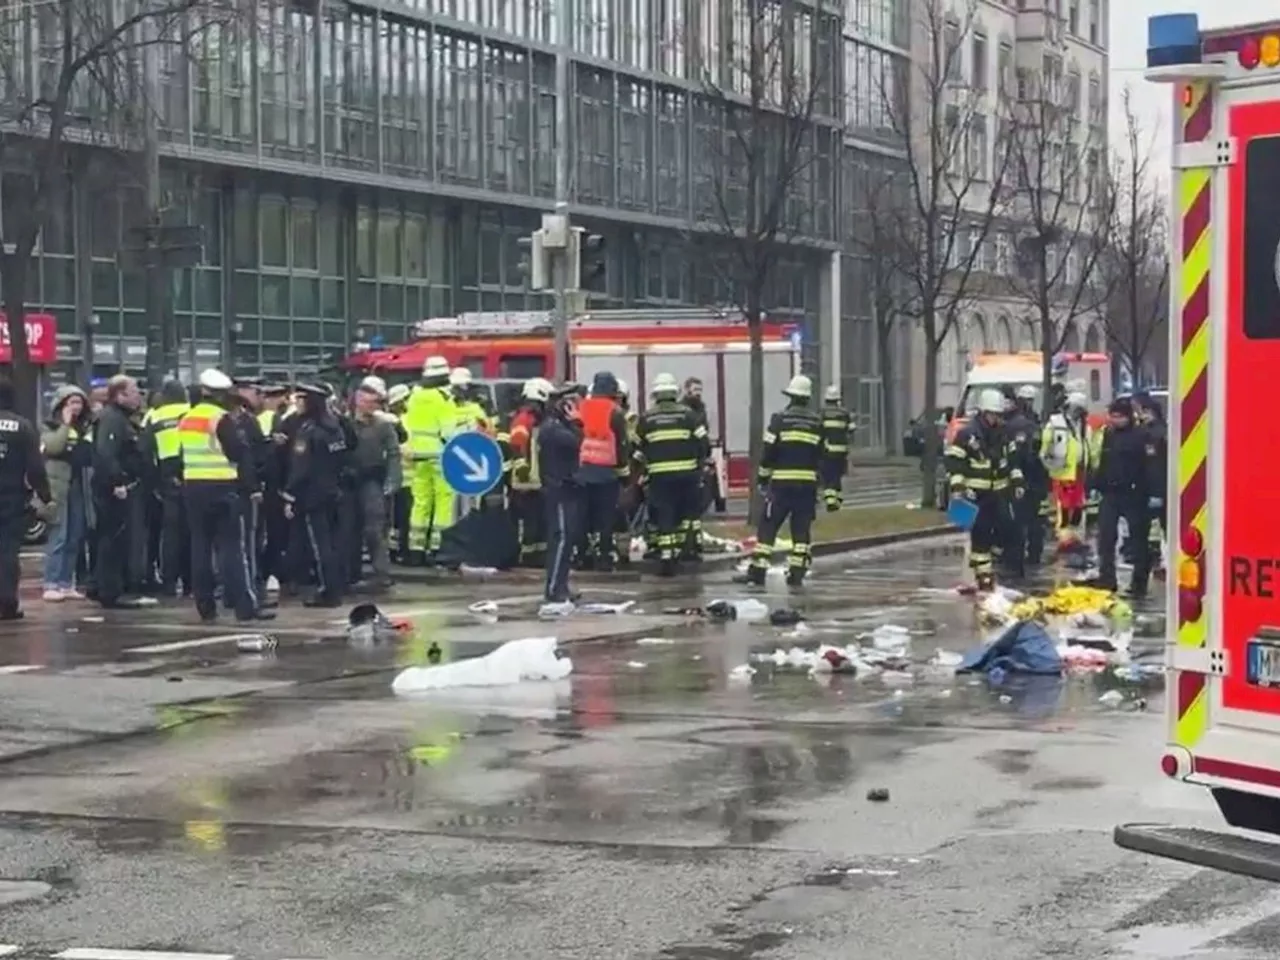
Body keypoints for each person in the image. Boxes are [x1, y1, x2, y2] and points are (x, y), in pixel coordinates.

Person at [179, 369, 272, 624]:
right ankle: (244, 606)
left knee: (200, 547)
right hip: (222, 487)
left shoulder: (187, 418)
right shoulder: (220, 419)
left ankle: (205, 606)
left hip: (193, 487)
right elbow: (237, 452)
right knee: (232, 549)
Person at [746, 375, 838, 587]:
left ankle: (758, 571)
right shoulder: (817, 423)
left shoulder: (779, 420)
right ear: (807, 398)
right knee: (801, 528)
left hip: (781, 484)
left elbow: (769, 451)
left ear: (790, 396)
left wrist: (762, 476)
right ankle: (797, 571)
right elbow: (824, 455)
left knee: (768, 526)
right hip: (806, 486)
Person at [283, 382, 353, 607]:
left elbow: (301, 466)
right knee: (333, 543)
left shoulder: (308, 430)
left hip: (313, 495)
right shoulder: (335, 427)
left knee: (319, 545)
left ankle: (328, 591)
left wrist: (289, 493)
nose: (297, 404)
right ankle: (337, 586)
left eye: (301, 400)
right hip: (334, 490)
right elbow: (345, 453)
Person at [945, 387, 1022, 592]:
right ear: (984, 413)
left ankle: (986, 571)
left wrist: (1016, 482)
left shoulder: (1003, 434)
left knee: (1003, 532)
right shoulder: (968, 434)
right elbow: (954, 463)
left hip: (997, 494)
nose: (997, 419)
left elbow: (1011, 462)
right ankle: (983, 576)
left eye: (999, 415)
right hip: (975, 495)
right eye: (994, 415)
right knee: (980, 536)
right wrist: (959, 488)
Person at [1085, 397, 1160, 598]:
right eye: (1113, 416)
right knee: (1106, 539)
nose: (1115, 420)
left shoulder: (1143, 436)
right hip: (1110, 493)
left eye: (1119, 417)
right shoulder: (1109, 434)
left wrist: (1154, 493)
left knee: (1138, 542)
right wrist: (1094, 484)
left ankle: (1139, 584)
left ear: (1128, 417)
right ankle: (1107, 580)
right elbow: (1104, 461)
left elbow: (1152, 467)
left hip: (1136, 495)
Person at [635, 373, 708, 577]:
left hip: (660, 477)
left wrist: (640, 471)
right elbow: (704, 444)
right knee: (686, 514)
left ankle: (667, 556)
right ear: (675, 393)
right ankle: (687, 551)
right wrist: (698, 463)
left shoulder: (646, 418)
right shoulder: (689, 415)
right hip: (687, 475)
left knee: (665, 513)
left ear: (656, 394)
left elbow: (638, 451)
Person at [92, 375, 149, 609]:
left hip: (124, 486)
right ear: (120, 395)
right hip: (115, 489)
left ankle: (105, 586)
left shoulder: (122, 418)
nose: (139, 396)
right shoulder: (112, 419)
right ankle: (110, 590)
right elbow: (106, 453)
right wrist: (117, 482)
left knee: (117, 539)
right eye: (134, 391)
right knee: (113, 539)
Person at [0, 379, 52, 619]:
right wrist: (45, 496)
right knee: (8, 551)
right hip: (10, 497)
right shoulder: (23, 427)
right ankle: (7, 602)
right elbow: (35, 468)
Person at [41, 385, 94, 601]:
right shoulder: (49, 426)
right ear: (61, 405)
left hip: (78, 485)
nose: (76, 407)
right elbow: (53, 447)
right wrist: (65, 424)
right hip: (58, 487)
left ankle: (65, 582)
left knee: (75, 535)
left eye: (79, 402)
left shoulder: (84, 428)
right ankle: (51, 582)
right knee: (59, 536)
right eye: (72, 402)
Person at [349, 376, 401, 592]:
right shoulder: (345, 423)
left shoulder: (383, 426)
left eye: (376, 402)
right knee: (349, 529)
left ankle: (382, 573)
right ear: (359, 400)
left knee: (374, 528)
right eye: (369, 402)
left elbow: (393, 454)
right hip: (349, 482)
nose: (373, 407)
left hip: (372, 481)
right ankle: (351, 573)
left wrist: (393, 480)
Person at [574, 372, 630, 571]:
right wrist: (625, 475)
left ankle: (582, 555)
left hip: (582, 472)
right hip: (606, 474)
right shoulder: (615, 412)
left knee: (583, 516)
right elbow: (622, 446)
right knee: (605, 518)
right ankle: (604, 556)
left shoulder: (581, 409)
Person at [404, 355, 456, 562]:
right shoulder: (443, 398)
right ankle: (437, 546)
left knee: (421, 502)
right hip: (439, 454)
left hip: (417, 455)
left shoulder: (415, 396)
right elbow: (448, 430)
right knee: (443, 500)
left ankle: (416, 548)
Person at [537, 384, 583, 616]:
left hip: (566, 488)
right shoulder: (553, 429)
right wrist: (576, 422)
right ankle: (555, 588)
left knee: (566, 540)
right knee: (562, 539)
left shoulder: (557, 427)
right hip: (559, 490)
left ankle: (560, 586)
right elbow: (575, 442)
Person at [141, 381, 191, 596]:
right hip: (192, 473)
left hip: (166, 477)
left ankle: (169, 581)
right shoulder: (191, 412)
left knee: (170, 533)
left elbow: (145, 450)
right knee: (193, 533)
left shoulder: (154, 415)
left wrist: (156, 482)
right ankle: (191, 582)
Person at [502, 377, 552, 567]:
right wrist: (522, 464)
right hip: (525, 482)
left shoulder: (534, 418)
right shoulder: (525, 417)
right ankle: (528, 556)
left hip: (534, 481)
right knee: (530, 521)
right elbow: (517, 441)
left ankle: (537, 555)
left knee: (539, 520)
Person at [1003, 384, 1046, 577]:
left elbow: (1020, 455)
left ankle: (1016, 558)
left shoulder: (1017, 423)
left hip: (1023, 478)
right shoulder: (1032, 421)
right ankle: (1032, 554)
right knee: (1033, 519)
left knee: (1020, 520)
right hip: (1033, 478)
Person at [1040, 391, 1090, 549]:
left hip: (1079, 471)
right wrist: (1050, 464)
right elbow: (1045, 448)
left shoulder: (1082, 425)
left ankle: (1074, 537)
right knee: (1064, 506)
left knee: (1078, 506)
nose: (1077, 413)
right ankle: (1065, 539)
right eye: (1076, 409)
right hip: (1062, 472)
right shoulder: (1055, 424)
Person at [818, 384, 853, 512]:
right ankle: (837, 500)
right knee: (837, 476)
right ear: (837, 399)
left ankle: (831, 501)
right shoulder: (844, 413)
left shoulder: (822, 413)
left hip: (827, 451)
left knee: (828, 477)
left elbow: (818, 431)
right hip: (841, 451)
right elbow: (851, 429)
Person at [449, 368, 491, 434]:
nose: (457, 390)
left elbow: (488, 425)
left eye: (461, 385)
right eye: (456, 386)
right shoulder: (446, 404)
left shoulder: (476, 404)